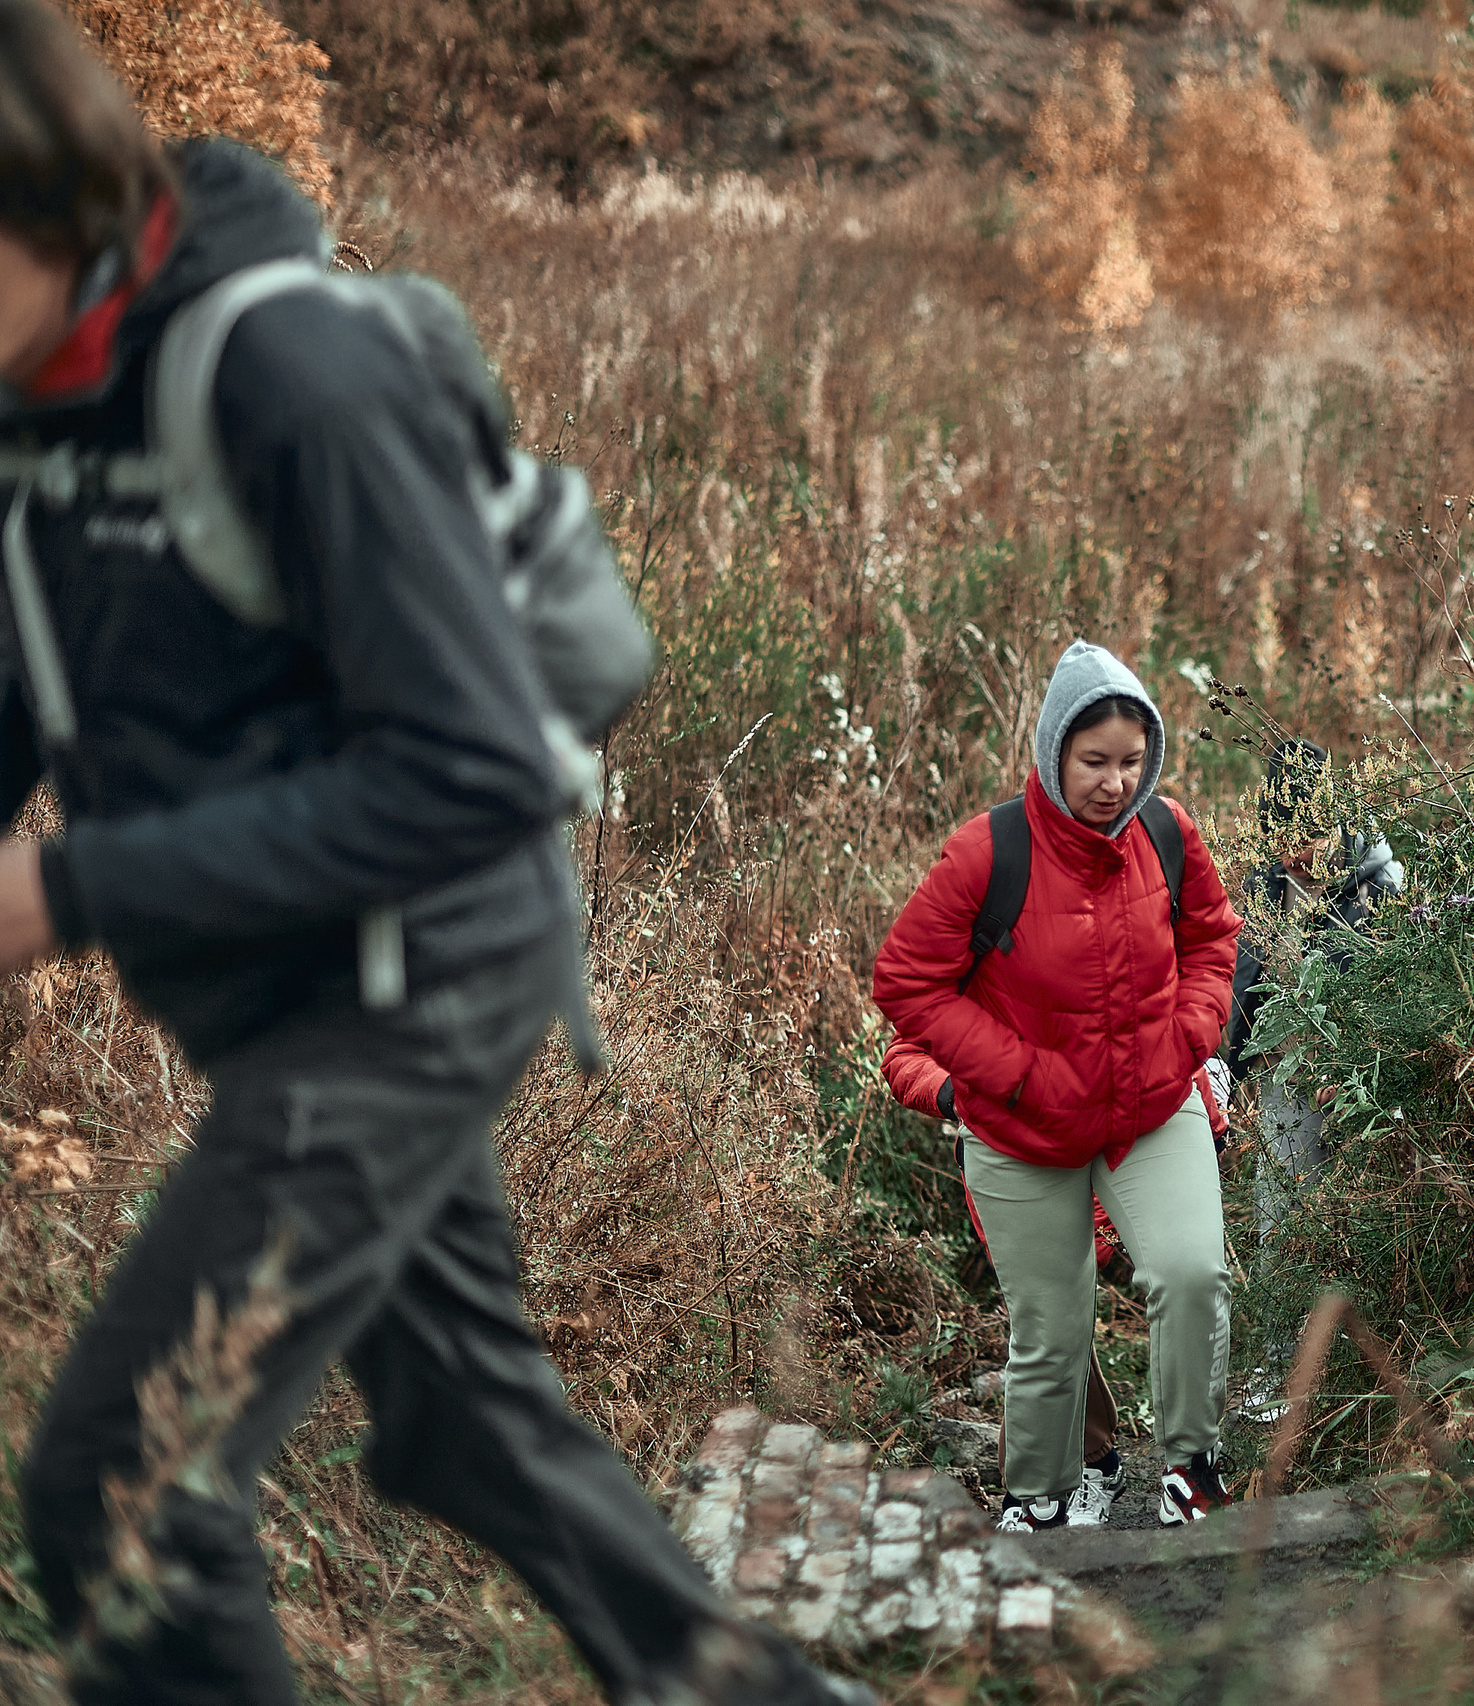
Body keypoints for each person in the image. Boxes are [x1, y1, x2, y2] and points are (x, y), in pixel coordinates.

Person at [0, 11, 844, 1703]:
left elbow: (474, 770)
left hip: (416, 974)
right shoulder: (41, 408)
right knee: (465, 1424)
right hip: (282, 993)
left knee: (124, 1476)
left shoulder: (295, 374)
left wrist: (71, 891)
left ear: (37, 191)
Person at [873, 641, 1241, 1532]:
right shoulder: (986, 854)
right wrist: (1014, 1074)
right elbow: (905, 983)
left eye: (1131, 761)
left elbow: (1214, 939)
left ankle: (1190, 1468)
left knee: (1190, 1274)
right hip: (1024, 1131)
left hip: (1150, 1109)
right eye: (1094, 762)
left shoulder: (1165, 833)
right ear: (1051, 755)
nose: (1116, 783)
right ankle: (1037, 1503)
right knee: (1051, 1330)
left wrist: (1189, 1033)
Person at [1223, 739, 1403, 1422]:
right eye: (1286, 838)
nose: (1299, 852)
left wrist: (1354, 1051)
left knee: (1358, 1218)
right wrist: (1230, 1066)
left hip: (1362, 1075)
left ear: (1340, 820)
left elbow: (1394, 976)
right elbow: (1244, 979)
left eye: (1312, 834)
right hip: (1286, 1077)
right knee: (1282, 1222)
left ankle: (1360, 1374)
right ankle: (1281, 1368)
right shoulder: (1268, 886)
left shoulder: (1378, 880)